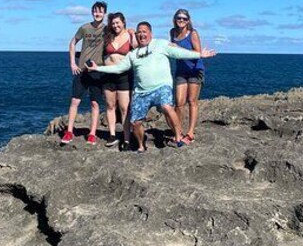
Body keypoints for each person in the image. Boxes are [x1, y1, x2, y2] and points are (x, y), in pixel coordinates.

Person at [89, 21, 217, 152]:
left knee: (167, 106)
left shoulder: (160, 44)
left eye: (144, 32)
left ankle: (178, 138)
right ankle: (140, 145)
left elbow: (179, 53)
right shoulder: (133, 54)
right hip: (141, 92)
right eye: (139, 32)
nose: (141, 34)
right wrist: (98, 68)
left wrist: (199, 54)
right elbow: (118, 68)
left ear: (150, 33)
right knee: (135, 122)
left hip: (162, 87)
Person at [61, 1, 107, 145]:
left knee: (94, 103)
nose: (97, 13)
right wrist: (72, 63)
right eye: (95, 11)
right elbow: (72, 43)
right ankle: (69, 132)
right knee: (75, 101)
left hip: (97, 71)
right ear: (92, 12)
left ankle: (92, 134)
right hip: (82, 70)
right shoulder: (84, 28)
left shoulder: (107, 30)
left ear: (104, 13)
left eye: (100, 11)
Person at [101, 12, 137, 148]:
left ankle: (127, 139)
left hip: (124, 75)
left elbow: (137, 47)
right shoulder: (108, 36)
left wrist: (133, 34)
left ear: (123, 22)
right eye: (113, 23)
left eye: (118, 23)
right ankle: (112, 135)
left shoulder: (129, 34)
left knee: (125, 108)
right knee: (110, 106)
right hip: (107, 74)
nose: (115, 25)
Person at [169, 9, 205, 145]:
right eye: (179, 18)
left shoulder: (193, 33)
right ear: (175, 19)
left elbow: (198, 53)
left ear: (188, 20)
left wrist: (177, 49)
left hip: (195, 70)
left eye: (184, 19)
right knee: (179, 102)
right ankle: (178, 132)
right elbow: (172, 50)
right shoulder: (172, 32)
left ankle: (190, 133)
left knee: (192, 101)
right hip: (181, 71)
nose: (181, 20)